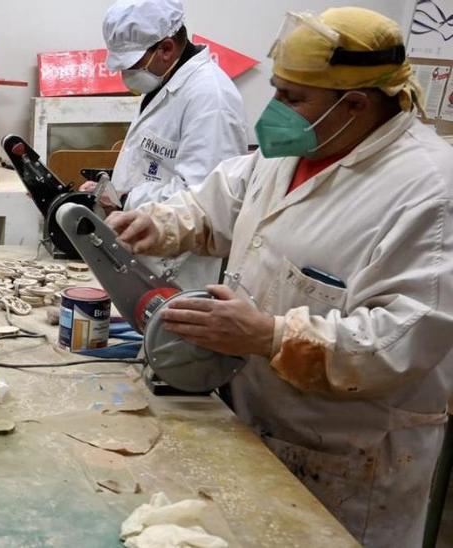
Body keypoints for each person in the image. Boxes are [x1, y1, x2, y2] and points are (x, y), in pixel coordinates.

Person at [107, 8, 453, 546]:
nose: (275, 111)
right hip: (256, 418)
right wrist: (160, 223)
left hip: (347, 457)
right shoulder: (296, 149)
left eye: (292, 98)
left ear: (357, 103)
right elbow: (220, 199)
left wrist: (272, 336)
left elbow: (403, 340)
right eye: (278, 91)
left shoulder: (431, 192)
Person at [79, 0, 247, 290]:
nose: (126, 76)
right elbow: (155, 163)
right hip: (145, 255)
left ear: (166, 49)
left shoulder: (211, 99)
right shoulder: (166, 83)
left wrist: (124, 197)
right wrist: (108, 185)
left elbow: (205, 200)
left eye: (131, 65)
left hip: (179, 270)